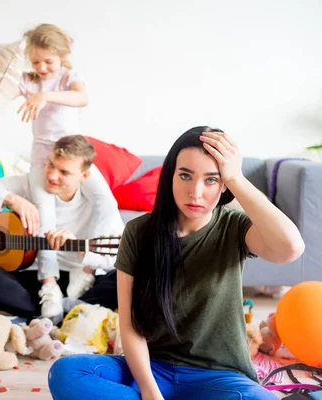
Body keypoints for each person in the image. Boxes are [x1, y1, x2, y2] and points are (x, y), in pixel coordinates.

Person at [48, 127, 305, 399]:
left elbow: (291, 249)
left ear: (223, 185)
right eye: (185, 176)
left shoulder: (235, 228)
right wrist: (150, 392)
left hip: (219, 375)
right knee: (66, 371)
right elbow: (131, 326)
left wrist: (236, 177)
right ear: (170, 175)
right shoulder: (138, 232)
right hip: (152, 369)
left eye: (211, 180)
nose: (195, 192)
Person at [0, 135, 123, 318]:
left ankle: (61, 312)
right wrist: (13, 200)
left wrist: (81, 251)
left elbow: (116, 258)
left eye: (64, 172)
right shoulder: (30, 184)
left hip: (84, 283)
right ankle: (68, 314)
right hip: (37, 284)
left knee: (132, 277)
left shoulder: (101, 204)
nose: (52, 175)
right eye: (51, 164)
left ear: (84, 176)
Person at [17, 23, 118, 305]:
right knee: (45, 222)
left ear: (61, 57)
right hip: (42, 162)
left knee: (105, 201)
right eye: (35, 61)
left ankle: (86, 268)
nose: (42, 67)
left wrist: (45, 95)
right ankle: (48, 284)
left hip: (72, 157)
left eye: (48, 61)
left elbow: (82, 98)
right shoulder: (28, 80)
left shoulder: (67, 77)